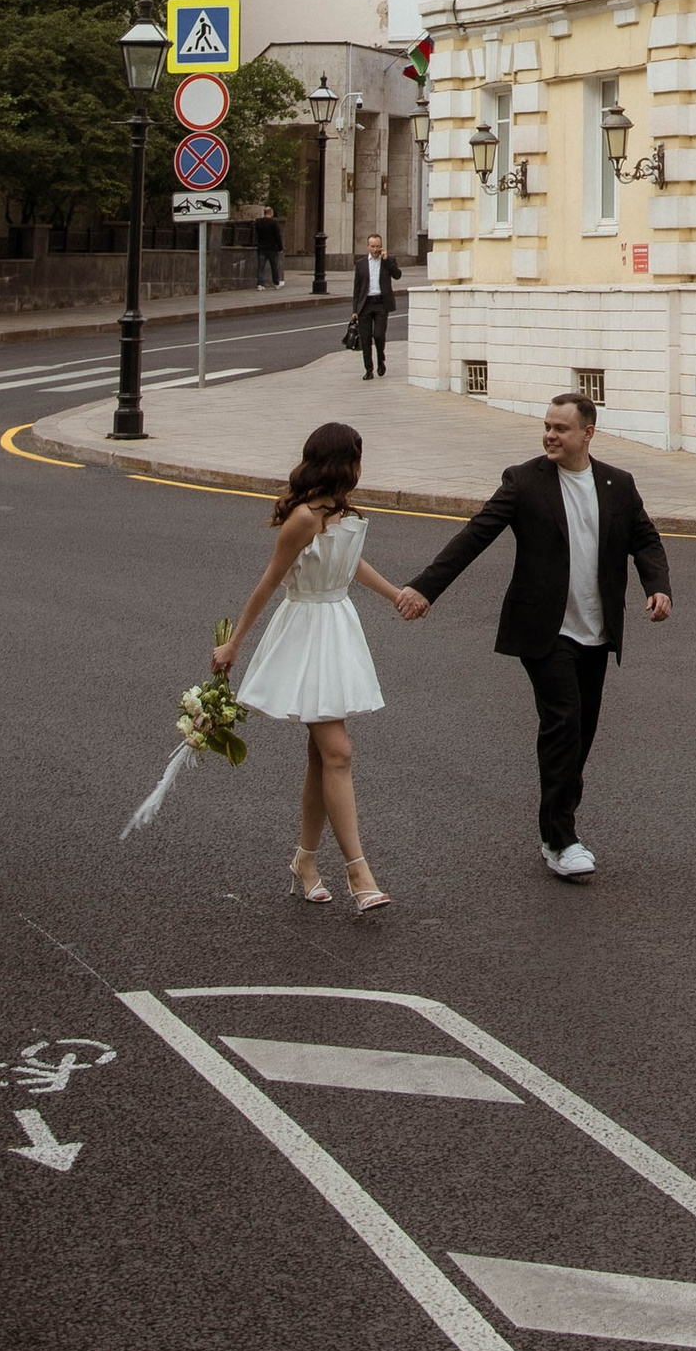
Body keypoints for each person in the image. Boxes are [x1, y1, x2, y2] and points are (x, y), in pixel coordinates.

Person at [397, 388, 670, 880]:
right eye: (546, 426)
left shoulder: (617, 484)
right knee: (562, 721)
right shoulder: (524, 482)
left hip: (597, 628)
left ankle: (558, 824)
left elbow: (644, 537)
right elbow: (475, 535)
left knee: (581, 731)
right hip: (545, 630)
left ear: (587, 433)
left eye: (560, 428)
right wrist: (424, 589)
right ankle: (560, 837)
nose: (549, 435)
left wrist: (658, 586)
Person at [213, 420, 421, 914]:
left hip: (336, 628)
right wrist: (234, 647)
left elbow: (350, 564)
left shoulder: (341, 512)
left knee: (322, 756)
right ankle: (359, 873)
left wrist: (397, 596)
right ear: (345, 463)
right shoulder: (304, 518)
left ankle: (305, 862)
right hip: (304, 633)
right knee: (338, 752)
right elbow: (268, 583)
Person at [350, 231, 401, 379]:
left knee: (379, 336)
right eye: (372, 246)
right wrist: (355, 309)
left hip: (381, 304)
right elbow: (357, 287)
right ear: (367, 246)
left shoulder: (388, 260)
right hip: (365, 304)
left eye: (378, 246)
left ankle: (381, 360)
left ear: (382, 246)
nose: (375, 249)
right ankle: (368, 369)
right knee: (365, 338)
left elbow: (397, 275)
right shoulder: (361, 264)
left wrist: (386, 261)